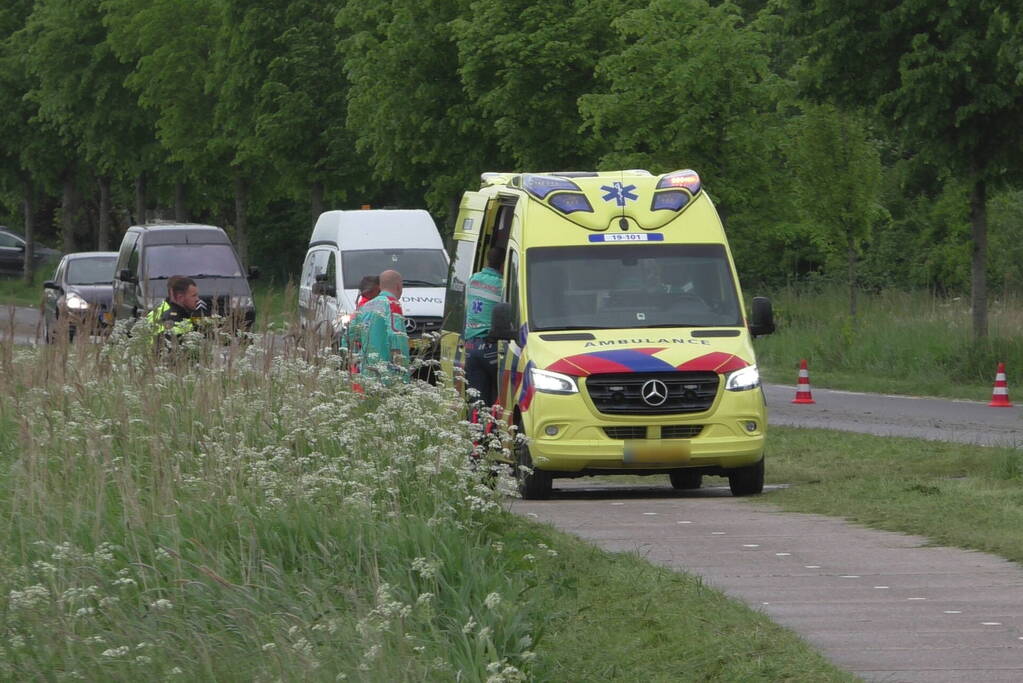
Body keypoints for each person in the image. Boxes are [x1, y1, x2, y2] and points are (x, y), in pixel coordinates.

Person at [348, 269, 410, 383]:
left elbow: (351, 335)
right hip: (386, 374)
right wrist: (403, 374)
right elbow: (397, 337)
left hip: (366, 372)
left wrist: (356, 363)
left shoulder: (365, 306)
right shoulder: (391, 304)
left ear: (380, 286)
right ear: (399, 286)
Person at [464, 247, 504, 405]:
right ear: (503, 265)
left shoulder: (473, 279)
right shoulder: (502, 285)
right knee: (500, 396)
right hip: (490, 346)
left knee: (477, 399)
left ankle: (476, 428)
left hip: (471, 345)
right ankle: (495, 428)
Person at [145, 275, 208, 343]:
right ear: (180, 297)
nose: (197, 299)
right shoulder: (174, 317)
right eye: (194, 296)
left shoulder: (158, 310)